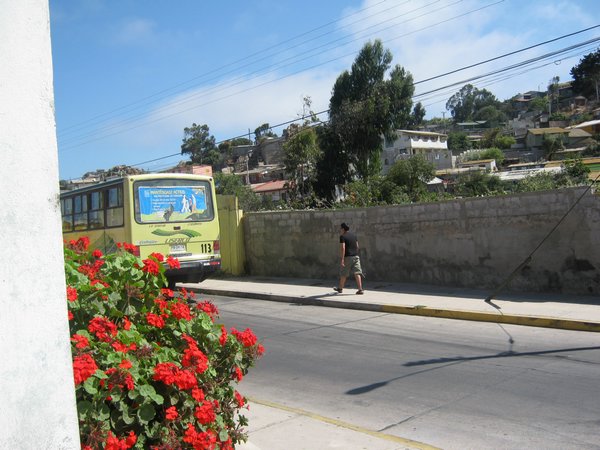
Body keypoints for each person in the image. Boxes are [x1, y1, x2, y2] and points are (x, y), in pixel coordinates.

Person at [334, 222, 364, 295]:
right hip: (356, 256)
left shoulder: (342, 236)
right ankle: (360, 289)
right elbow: (357, 246)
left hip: (348, 257)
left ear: (343, 229)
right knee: (357, 272)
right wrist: (355, 253)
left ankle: (340, 289)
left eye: (341, 228)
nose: (340, 229)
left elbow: (343, 248)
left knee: (344, 273)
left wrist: (342, 259)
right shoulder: (354, 235)